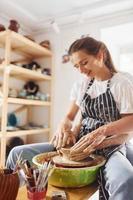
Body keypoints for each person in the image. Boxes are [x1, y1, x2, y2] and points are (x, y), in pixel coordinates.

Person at [6, 37, 133, 200]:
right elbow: (69, 116)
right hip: (77, 145)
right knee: (17, 153)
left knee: (126, 180)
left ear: (101, 55)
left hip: (109, 147)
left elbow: (130, 121)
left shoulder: (122, 82)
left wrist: (102, 132)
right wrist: (63, 126)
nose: (80, 70)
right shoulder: (82, 85)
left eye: (84, 62)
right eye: (76, 66)